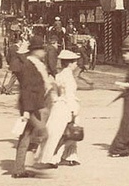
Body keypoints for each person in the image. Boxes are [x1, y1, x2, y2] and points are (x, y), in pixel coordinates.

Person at [11, 35, 53, 177]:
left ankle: (20, 168)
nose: (44, 52)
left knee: (26, 136)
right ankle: (33, 164)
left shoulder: (36, 64)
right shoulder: (30, 65)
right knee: (42, 132)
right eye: (42, 50)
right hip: (31, 106)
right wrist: (27, 111)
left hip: (34, 105)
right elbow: (27, 88)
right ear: (36, 51)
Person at [38, 48, 82, 168]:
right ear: (70, 63)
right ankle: (53, 158)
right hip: (67, 106)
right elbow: (69, 95)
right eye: (75, 62)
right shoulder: (69, 77)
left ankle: (68, 156)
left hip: (59, 105)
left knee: (60, 133)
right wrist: (74, 110)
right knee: (69, 132)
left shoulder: (59, 75)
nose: (76, 64)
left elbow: (55, 92)